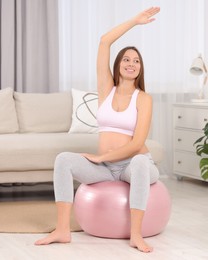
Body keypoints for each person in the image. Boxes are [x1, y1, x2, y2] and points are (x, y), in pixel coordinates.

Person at [35, 7, 161, 253]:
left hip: (133, 166)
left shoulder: (144, 98)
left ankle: (136, 234)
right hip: (105, 169)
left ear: (140, 69)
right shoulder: (107, 88)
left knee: (139, 162)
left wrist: (101, 157)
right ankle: (62, 230)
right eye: (126, 59)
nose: (131, 64)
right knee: (63, 160)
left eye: (136, 61)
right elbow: (104, 41)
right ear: (118, 64)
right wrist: (135, 21)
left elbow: (136, 144)